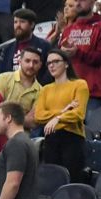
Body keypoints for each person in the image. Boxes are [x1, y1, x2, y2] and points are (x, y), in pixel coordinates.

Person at [33, 49, 87, 182]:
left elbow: (79, 114)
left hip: (73, 138)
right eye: (49, 63)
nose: (51, 65)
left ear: (66, 64)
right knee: (52, 180)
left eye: (56, 61)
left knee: (72, 180)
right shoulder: (46, 89)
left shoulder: (79, 84)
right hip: (51, 138)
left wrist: (58, 119)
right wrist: (64, 110)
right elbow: (38, 116)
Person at [53, 0, 101, 112]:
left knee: (89, 129)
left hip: (93, 93)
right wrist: (62, 56)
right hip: (69, 92)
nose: (78, 3)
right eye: (75, 0)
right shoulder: (68, 30)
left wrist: (77, 53)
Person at [0, 8, 50, 79]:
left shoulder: (44, 46)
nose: (18, 25)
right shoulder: (8, 48)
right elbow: (1, 72)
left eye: (22, 22)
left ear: (32, 25)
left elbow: (47, 73)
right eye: (15, 22)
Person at [0, 44, 43, 113]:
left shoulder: (41, 91)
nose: (31, 65)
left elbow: (32, 118)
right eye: (27, 61)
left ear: (40, 65)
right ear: (19, 61)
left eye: (35, 62)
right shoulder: (3, 78)